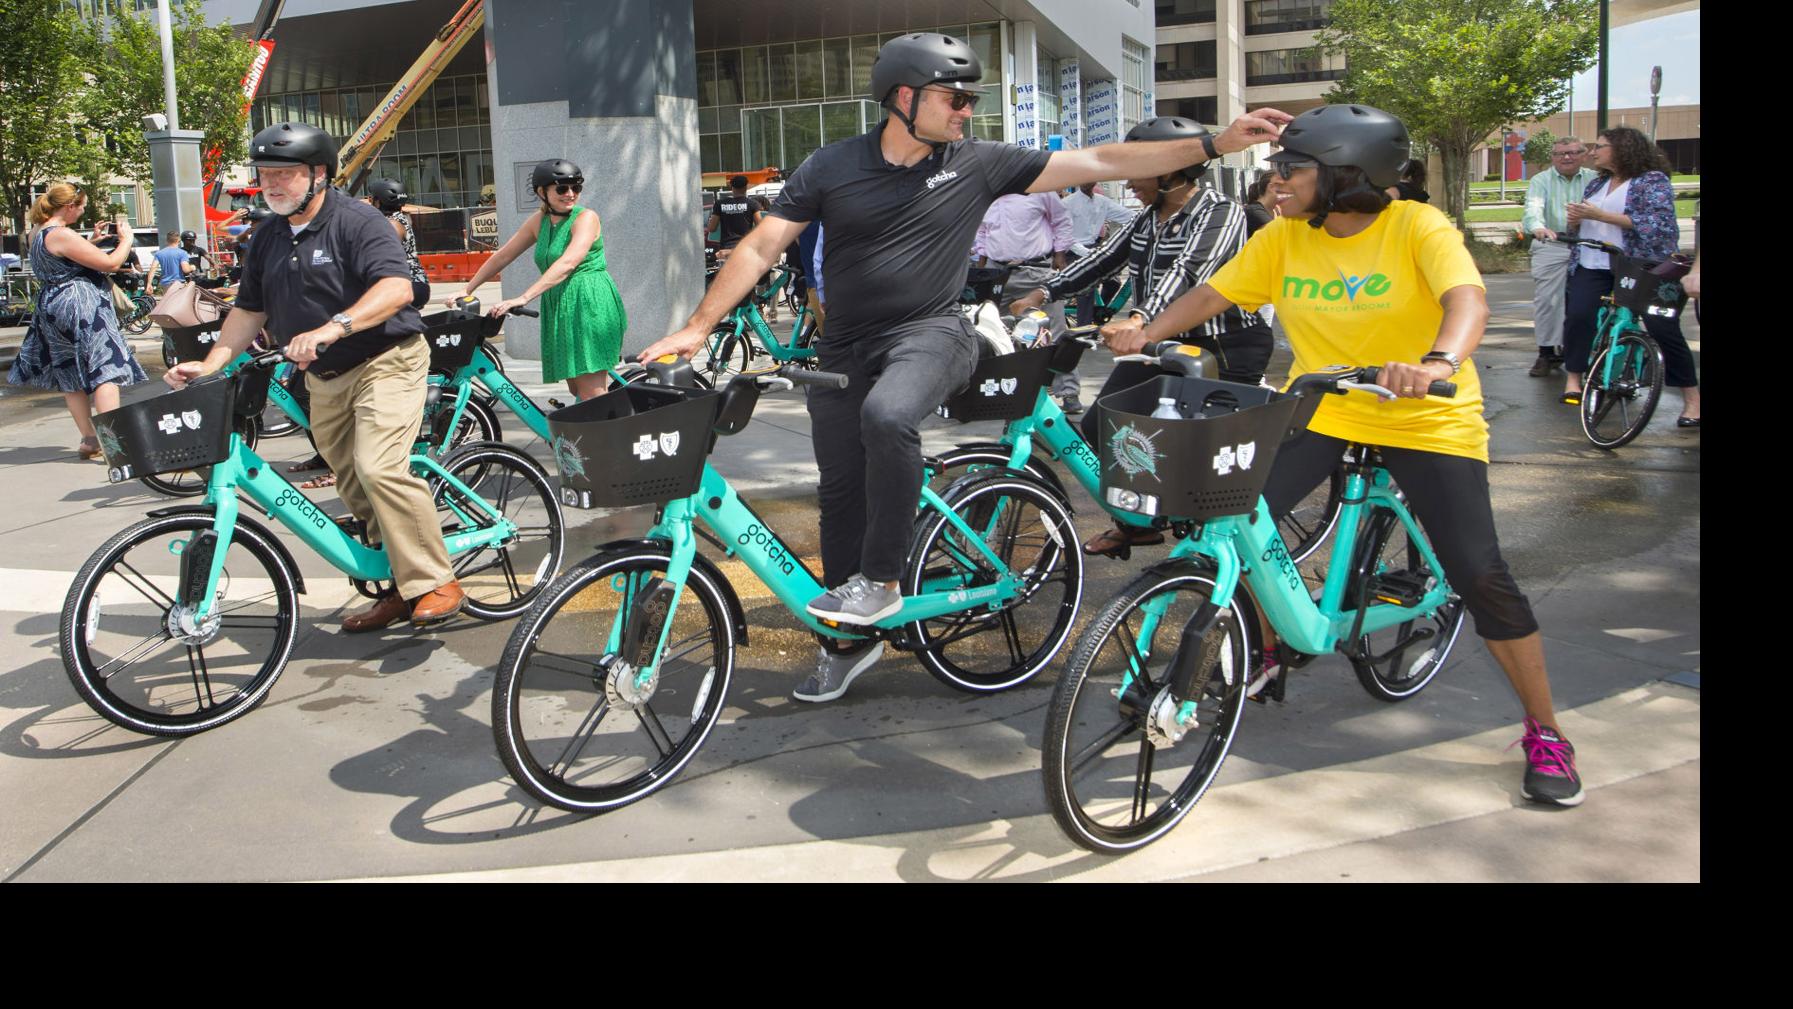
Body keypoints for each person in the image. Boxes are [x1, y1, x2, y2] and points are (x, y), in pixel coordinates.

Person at [637, 31, 1288, 703]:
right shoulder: (831, 166)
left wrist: (1215, 143)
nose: (965, 112)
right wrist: (696, 326)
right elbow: (762, 243)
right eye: (954, 98)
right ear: (904, 98)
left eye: (969, 99)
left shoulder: (978, 162)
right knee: (840, 496)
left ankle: (883, 584)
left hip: (933, 332)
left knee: (887, 415)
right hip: (843, 348)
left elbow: (1098, 156)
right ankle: (846, 640)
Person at [1120, 104, 1584, 808]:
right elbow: (1217, 291)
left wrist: (1437, 359)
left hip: (1424, 413)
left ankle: (1545, 730)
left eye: (1291, 169)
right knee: (1234, 521)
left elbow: (1467, 299)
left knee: (1480, 572)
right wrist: (1145, 330)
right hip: (1323, 405)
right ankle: (1271, 644)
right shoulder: (1284, 236)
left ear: (1345, 176)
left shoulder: (1416, 226)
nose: (1276, 181)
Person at [165, 121, 463, 632]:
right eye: (264, 175)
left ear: (320, 174)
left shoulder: (358, 222)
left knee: (378, 467)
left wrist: (335, 326)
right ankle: (397, 582)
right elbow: (249, 310)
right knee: (352, 482)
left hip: (385, 360)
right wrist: (212, 363)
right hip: (324, 375)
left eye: (285, 174)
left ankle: (435, 580)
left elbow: (397, 288)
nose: (272, 185)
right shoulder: (267, 238)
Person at [1011, 115, 1271, 559]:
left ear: (1171, 169)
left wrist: (1139, 317)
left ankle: (1227, 549)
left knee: (1202, 455)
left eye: (1136, 169)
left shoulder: (1221, 211)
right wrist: (1043, 290)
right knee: (1102, 429)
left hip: (1222, 348)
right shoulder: (1147, 218)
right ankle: (1136, 523)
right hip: (1155, 345)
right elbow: (1101, 261)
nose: (1127, 181)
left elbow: (1190, 272)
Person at [454, 159, 627, 403]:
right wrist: (467, 287)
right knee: (576, 390)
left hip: (590, 301)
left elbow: (568, 263)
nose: (570, 194)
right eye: (562, 188)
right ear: (541, 192)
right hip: (560, 303)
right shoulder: (540, 221)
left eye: (576, 188)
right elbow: (504, 254)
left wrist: (524, 297)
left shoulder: (586, 218)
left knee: (591, 393)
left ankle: (607, 439)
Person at [1561, 126, 1698, 426]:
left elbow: (1658, 226)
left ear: (1623, 149)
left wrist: (1600, 216)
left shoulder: (1651, 181)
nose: (1593, 152)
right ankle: (1574, 379)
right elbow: (1587, 223)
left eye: (1600, 146)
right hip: (1593, 262)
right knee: (1579, 316)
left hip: (1640, 266)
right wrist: (1575, 222)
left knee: (1662, 328)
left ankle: (1692, 401)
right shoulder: (1598, 183)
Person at [6, 182, 147, 460]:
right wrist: (127, 240)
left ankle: (90, 440)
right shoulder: (61, 233)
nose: (82, 213)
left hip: (51, 304)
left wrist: (91, 241)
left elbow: (61, 256)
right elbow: (109, 264)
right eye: (81, 207)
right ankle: (114, 445)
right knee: (106, 370)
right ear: (69, 206)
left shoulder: (38, 232)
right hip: (81, 304)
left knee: (70, 372)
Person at [973, 191, 1077, 409]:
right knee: (991, 334)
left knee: (1054, 333)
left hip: (1036, 271)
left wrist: (1060, 255)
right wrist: (981, 266)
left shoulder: (1040, 189)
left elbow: (1061, 220)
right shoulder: (987, 190)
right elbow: (983, 231)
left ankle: (1068, 392)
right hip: (996, 273)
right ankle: (995, 394)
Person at [1521, 137, 1596, 376]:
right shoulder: (1540, 180)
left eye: (1574, 152)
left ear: (1584, 155)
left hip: (1589, 244)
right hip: (1554, 242)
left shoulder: (1595, 180)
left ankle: (1587, 352)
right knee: (1548, 300)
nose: (1567, 157)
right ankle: (1546, 353)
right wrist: (1538, 227)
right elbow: (1532, 209)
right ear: (1552, 157)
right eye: (1561, 153)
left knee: (1590, 301)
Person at [1060, 181, 1135, 331]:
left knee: (1114, 282)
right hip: (1073, 250)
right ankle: (1084, 329)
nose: (1086, 182)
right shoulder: (1067, 203)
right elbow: (1065, 235)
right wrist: (1087, 253)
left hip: (1093, 248)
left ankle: (1100, 314)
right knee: (1086, 287)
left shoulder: (1103, 202)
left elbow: (1130, 216)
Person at [367, 177, 431, 308]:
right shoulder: (398, 218)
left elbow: (385, 256)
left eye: (371, 198)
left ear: (378, 201)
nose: (369, 201)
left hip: (406, 284)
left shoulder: (392, 224)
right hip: (412, 283)